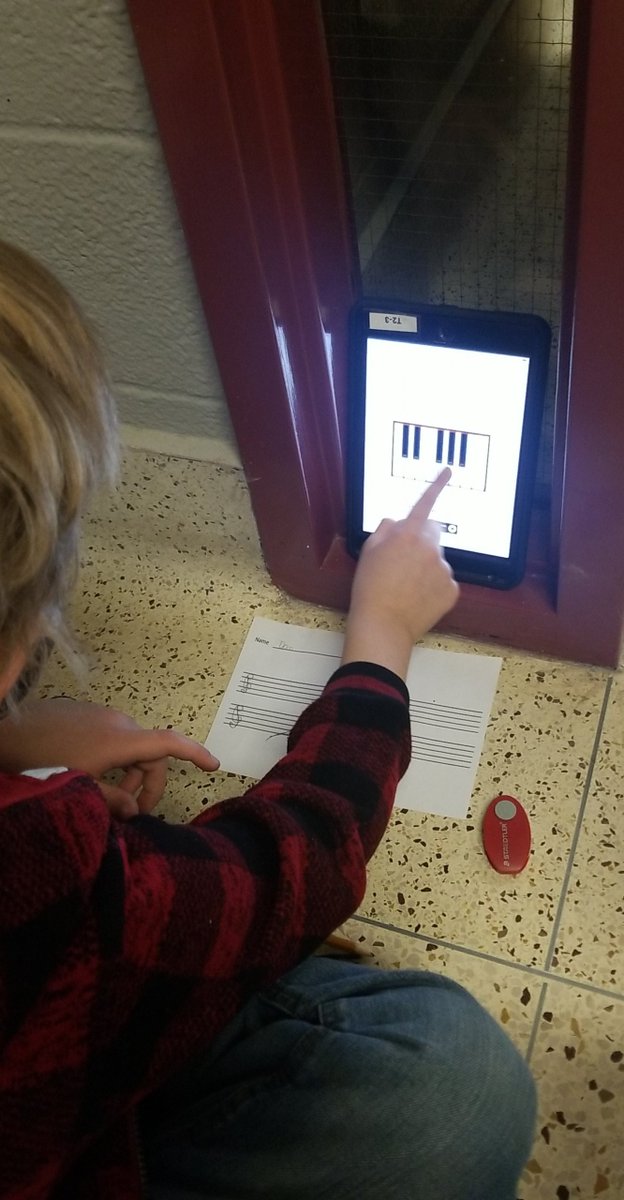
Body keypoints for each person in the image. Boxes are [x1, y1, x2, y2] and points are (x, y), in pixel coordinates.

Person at [0, 240, 536, 1200]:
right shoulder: (49, 880)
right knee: (460, 1086)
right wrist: (380, 634)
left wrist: (11, 738)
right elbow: (295, 864)